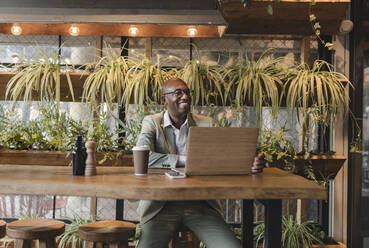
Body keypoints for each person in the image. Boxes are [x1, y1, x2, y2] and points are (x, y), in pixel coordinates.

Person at [135, 78, 263, 248]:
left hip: (200, 204)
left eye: (187, 92)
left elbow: (221, 157)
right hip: (162, 206)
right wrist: (188, 160)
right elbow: (145, 157)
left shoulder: (205, 123)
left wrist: (248, 164)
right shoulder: (151, 122)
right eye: (178, 93)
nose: (185, 96)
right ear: (164, 99)